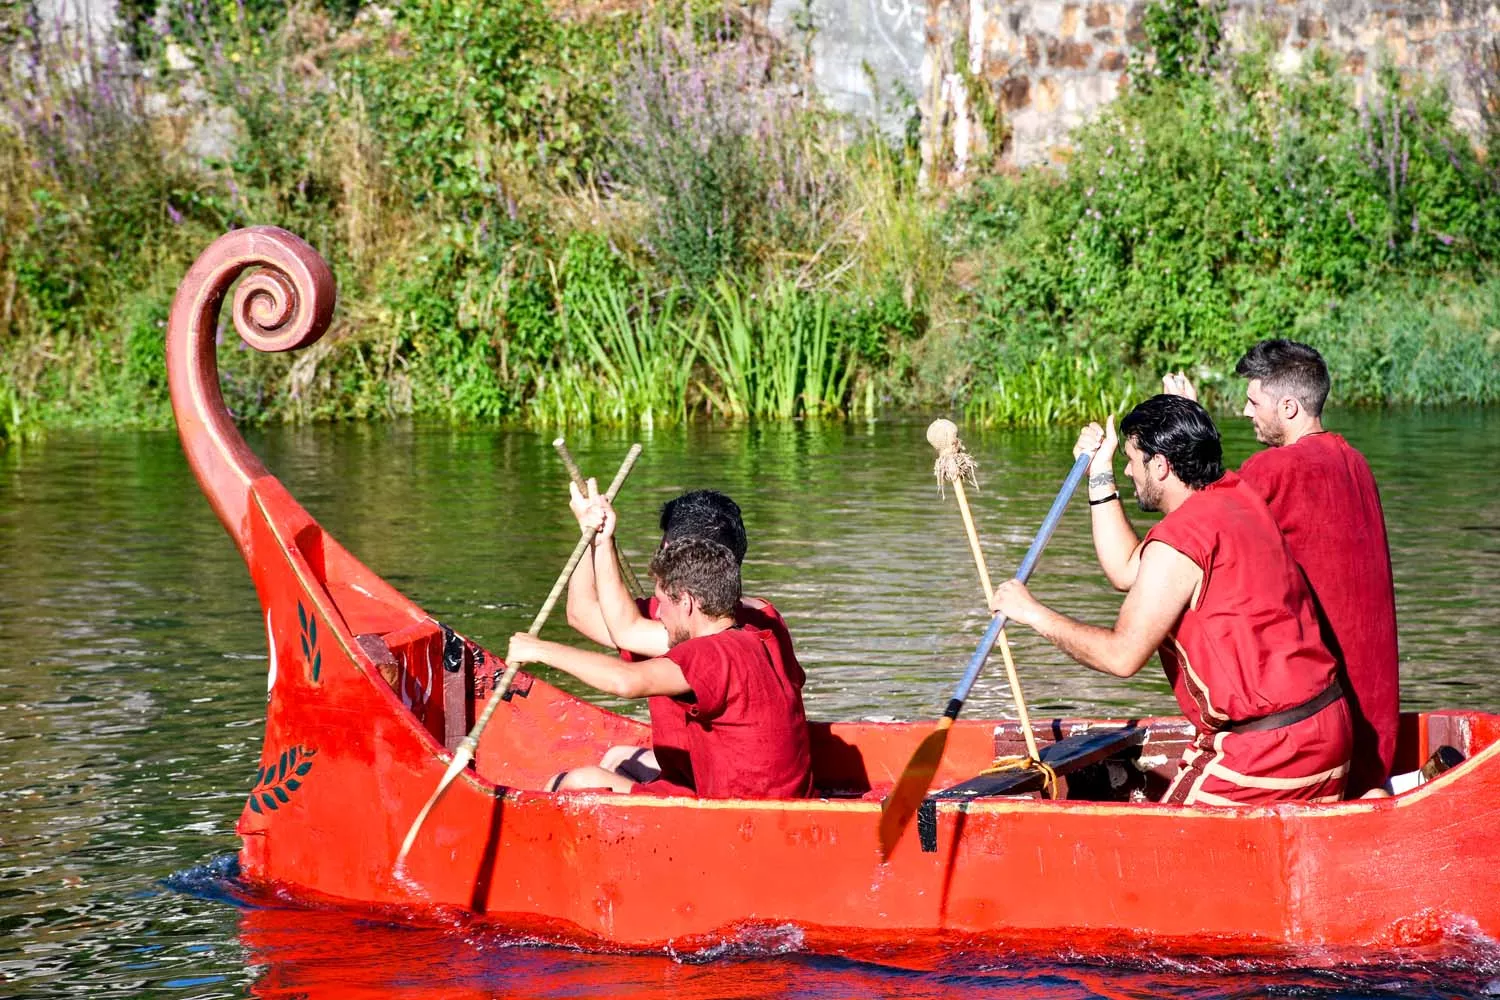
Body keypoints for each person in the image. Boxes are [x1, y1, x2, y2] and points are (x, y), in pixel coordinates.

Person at [990, 395, 1353, 805]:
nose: (1128, 470)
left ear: (1160, 465)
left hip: (1267, 754)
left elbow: (1121, 657)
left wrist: (1033, 614)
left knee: (1155, 851)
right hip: (1329, 731)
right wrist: (1099, 473)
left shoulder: (1180, 542)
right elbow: (1126, 567)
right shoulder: (1235, 496)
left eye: (1131, 460)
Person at [1164, 340, 1399, 797]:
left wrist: (1189, 424)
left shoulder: (1276, 469)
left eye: (1254, 402)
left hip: (1320, 726)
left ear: (1288, 406)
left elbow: (1203, 515)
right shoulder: (1356, 462)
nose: (1246, 412)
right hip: (1375, 729)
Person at [507, 536, 813, 798]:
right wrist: (600, 539)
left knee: (575, 782)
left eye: (662, 602)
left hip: (741, 818)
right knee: (618, 757)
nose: (660, 614)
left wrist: (539, 649)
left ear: (687, 603)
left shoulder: (709, 652)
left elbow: (626, 682)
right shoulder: (753, 635)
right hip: (763, 798)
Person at [564, 486, 804, 790]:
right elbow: (583, 614)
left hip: (717, 789)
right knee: (616, 758)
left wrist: (597, 538)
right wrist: (591, 535)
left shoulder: (709, 633)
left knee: (576, 781)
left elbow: (608, 624)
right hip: (706, 764)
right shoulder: (765, 614)